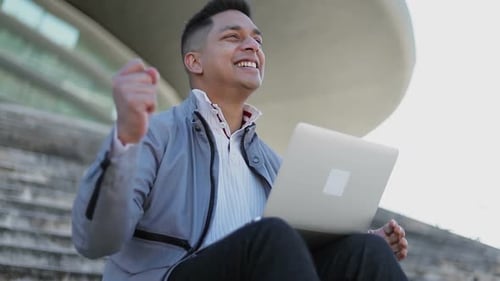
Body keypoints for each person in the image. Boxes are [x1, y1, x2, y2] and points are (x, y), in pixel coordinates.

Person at [72, 0, 409, 280]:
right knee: (273, 236)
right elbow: (96, 240)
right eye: (233, 37)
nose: (252, 46)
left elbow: (293, 255)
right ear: (195, 61)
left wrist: (355, 242)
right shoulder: (157, 135)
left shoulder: (274, 165)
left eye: (257, 40)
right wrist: (125, 144)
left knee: (367, 252)